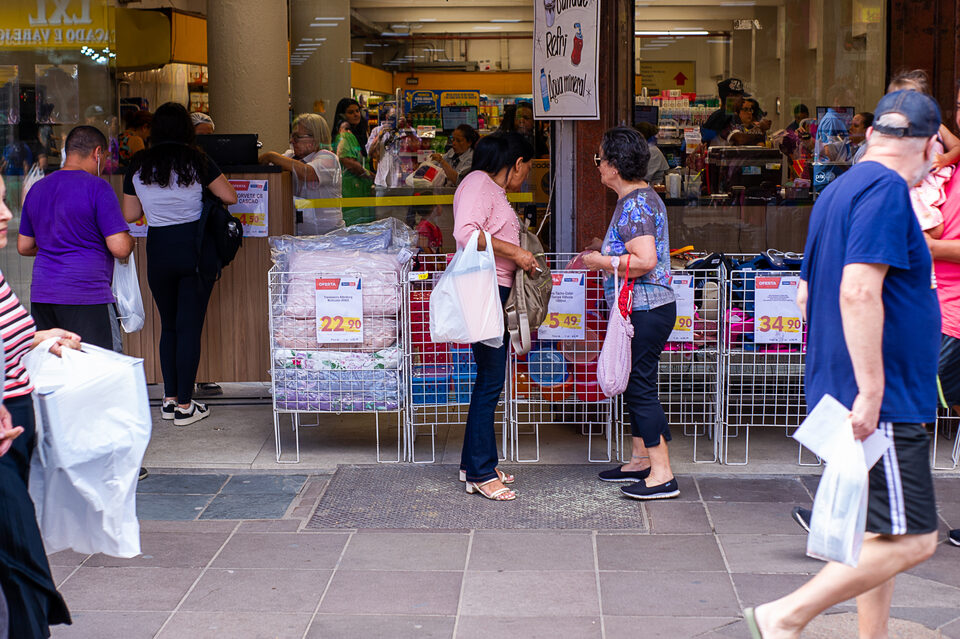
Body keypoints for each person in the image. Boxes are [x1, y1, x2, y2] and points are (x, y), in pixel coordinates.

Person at [749, 90, 943, 639]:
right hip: (881, 398)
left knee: (880, 532)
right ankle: (783, 617)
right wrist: (872, 390)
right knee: (915, 539)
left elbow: (806, 294)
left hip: (843, 390)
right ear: (929, 145)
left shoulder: (839, 189)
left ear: (873, 134)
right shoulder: (886, 189)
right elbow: (857, 290)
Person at [121, 102, 237, 427]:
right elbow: (230, 196)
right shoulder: (198, 160)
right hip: (194, 249)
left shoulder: (139, 164)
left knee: (169, 325)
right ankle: (186, 406)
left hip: (159, 249)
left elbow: (130, 214)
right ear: (187, 129)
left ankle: (170, 399)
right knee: (189, 327)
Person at [0, 173, 79, 639]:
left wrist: (40, 336)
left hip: (14, 428)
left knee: (17, 551)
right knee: (18, 554)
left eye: (4, 200)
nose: (7, 214)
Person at [583, 127, 679, 500]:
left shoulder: (635, 204)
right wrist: (605, 249)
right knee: (637, 382)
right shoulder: (639, 199)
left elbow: (645, 260)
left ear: (615, 165)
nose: (597, 166)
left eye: (600, 159)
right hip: (648, 306)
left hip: (645, 307)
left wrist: (601, 261)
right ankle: (640, 460)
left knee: (640, 387)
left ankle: (662, 473)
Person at [452, 131, 538, 501]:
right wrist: (516, 253)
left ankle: (473, 463)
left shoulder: (490, 188)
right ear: (517, 163)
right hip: (486, 291)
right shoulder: (479, 183)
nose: (526, 176)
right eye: (527, 168)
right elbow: (465, 234)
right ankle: (481, 473)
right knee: (490, 380)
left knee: (489, 378)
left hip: (493, 290)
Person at [17, 125, 134, 351]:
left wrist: (56, 243)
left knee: (53, 364)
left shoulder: (38, 188)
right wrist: (130, 241)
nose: (105, 164)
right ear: (97, 153)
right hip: (87, 294)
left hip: (43, 294)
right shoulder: (98, 188)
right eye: (105, 157)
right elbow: (119, 247)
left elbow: (24, 245)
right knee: (98, 365)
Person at [924, 82, 960, 549]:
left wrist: (926, 246)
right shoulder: (945, 165)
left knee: (898, 409)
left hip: (950, 315)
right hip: (934, 307)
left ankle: (853, 515)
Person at [259, 113, 343, 235]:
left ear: (315, 138)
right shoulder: (291, 156)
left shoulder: (328, 158)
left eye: (297, 137)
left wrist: (271, 156)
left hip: (326, 236)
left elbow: (307, 173)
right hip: (299, 234)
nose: (291, 141)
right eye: (292, 136)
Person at [332, 98, 374, 225]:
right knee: (354, 226)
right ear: (343, 115)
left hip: (359, 189)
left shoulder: (356, 134)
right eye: (351, 112)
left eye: (357, 111)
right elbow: (347, 161)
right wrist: (371, 176)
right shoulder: (345, 135)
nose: (356, 114)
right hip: (350, 189)